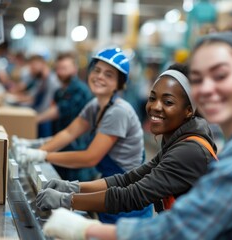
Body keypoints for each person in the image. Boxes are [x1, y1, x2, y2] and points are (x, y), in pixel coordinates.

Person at [42, 15, 232, 240]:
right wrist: (74, 188)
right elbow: (133, 177)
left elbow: (177, 228)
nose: (207, 88)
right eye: (198, 79)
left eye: (221, 75)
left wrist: (83, 226)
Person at [35, 63, 217, 216]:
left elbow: (132, 194)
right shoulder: (177, 142)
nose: (155, 107)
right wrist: (73, 187)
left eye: (168, 102)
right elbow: (129, 179)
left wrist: (66, 199)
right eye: (152, 98)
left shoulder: (189, 151)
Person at [17, 47, 153, 223]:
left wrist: (44, 155)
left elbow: (90, 158)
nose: (99, 76)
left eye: (109, 75)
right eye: (97, 70)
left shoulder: (118, 112)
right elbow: (69, 132)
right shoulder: (95, 105)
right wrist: (35, 152)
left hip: (129, 200)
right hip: (111, 188)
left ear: (119, 84)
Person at [17, 52, 96, 181]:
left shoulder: (79, 90)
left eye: (65, 68)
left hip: (76, 147)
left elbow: (58, 111)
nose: (60, 72)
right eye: (58, 68)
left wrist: (34, 120)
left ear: (74, 69)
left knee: (74, 186)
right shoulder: (59, 91)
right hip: (60, 144)